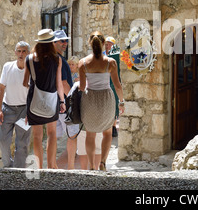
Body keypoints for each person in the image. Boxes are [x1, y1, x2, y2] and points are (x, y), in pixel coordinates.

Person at [78, 31, 125, 170]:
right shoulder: (111, 62)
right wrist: (121, 102)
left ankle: (92, 165)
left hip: (90, 98)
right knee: (107, 132)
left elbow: (81, 87)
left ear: (90, 44)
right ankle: (103, 162)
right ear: (104, 44)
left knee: (90, 134)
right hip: (106, 98)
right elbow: (117, 85)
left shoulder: (83, 63)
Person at [23, 28, 66, 169]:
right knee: (52, 133)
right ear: (51, 43)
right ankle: (52, 165)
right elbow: (59, 83)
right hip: (52, 100)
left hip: (33, 102)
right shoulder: (57, 59)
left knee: (36, 136)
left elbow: (25, 82)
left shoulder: (29, 59)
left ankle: (39, 167)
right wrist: (62, 101)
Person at [0, 41, 32, 168]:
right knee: (2, 140)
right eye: (19, 51)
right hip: (8, 109)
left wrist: (30, 113)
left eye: (24, 51)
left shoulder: (32, 70)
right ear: (15, 52)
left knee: (22, 143)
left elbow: (35, 92)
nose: (21, 54)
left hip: (24, 111)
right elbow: (1, 88)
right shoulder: (7, 67)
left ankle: (19, 171)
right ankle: (8, 166)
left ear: (28, 53)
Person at [53, 30, 80, 169]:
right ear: (54, 42)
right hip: (64, 105)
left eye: (66, 40)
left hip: (53, 105)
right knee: (72, 135)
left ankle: (52, 166)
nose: (65, 43)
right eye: (61, 41)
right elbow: (64, 83)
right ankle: (70, 167)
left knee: (53, 137)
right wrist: (73, 100)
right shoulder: (61, 61)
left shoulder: (50, 59)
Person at [103, 36, 120, 137]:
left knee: (114, 105)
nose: (107, 46)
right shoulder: (102, 55)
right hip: (104, 83)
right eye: (106, 44)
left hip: (113, 83)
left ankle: (113, 126)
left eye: (109, 44)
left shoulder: (116, 56)